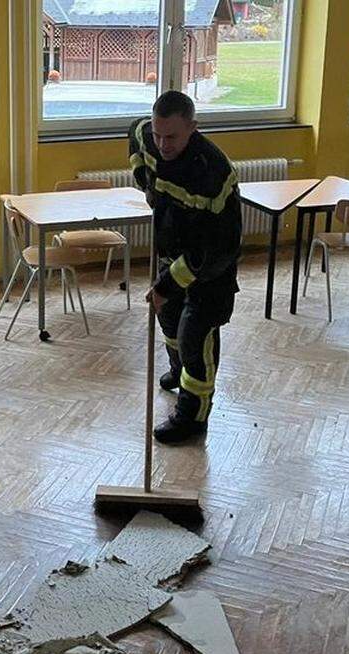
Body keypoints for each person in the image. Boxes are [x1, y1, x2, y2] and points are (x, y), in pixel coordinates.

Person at [128, 91, 242, 444]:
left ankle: (193, 416)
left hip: (211, 269)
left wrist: (164, 286)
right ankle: (178, 371)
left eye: (172, 137)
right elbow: (134, 135)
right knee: (169, 320)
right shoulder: (149, 134)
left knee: (195, 336)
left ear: (193, 127)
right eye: (158, 134)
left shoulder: (212, 174)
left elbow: (209, 253)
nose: (162, 143)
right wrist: (145, 181)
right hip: (172, 250)